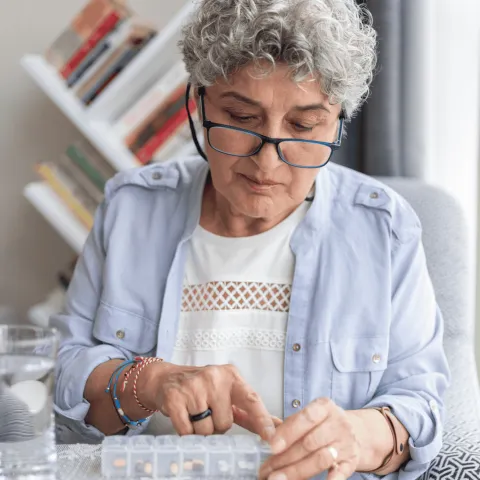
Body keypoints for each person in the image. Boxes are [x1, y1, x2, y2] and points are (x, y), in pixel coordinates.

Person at [51, 0, 450, 478]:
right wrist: (150, 381)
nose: (267, 163)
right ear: (199, 104)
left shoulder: (383, 228)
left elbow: (420, 402)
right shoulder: (131, 208)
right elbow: (65, 375)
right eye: (241, 118)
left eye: (303, 126)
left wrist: (357, 436)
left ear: (338, 119)